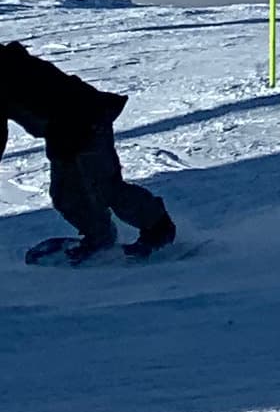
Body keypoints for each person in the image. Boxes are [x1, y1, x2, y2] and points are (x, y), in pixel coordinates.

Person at [0, 41, 176, 262]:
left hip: (88, 120)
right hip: (61, 133)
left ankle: (158, 227)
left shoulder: (8, 68)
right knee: (65, 196)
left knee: (105, 187)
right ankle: (99, 237)